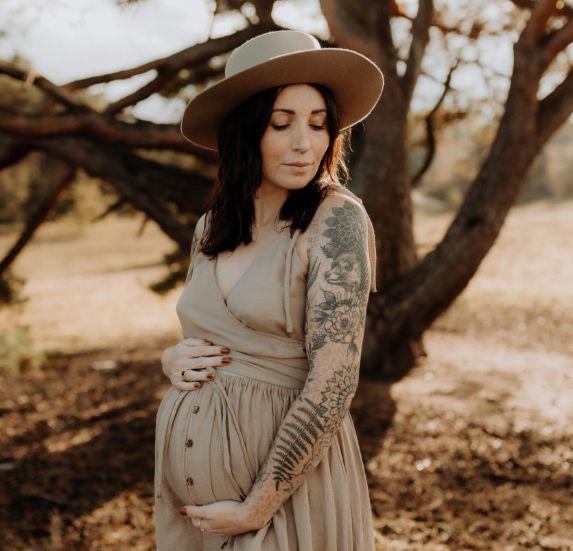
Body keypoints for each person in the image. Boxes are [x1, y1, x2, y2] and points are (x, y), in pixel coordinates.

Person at [154, 29, 384, 550]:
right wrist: (172, 359)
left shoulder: (336, 222)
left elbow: (333, 385)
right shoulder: (211, 227)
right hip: (194, 517)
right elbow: (217, 337)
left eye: (318, 124)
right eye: (282, 124)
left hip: (283, 499)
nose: (305, 143)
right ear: (245, 130)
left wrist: (254, 507)